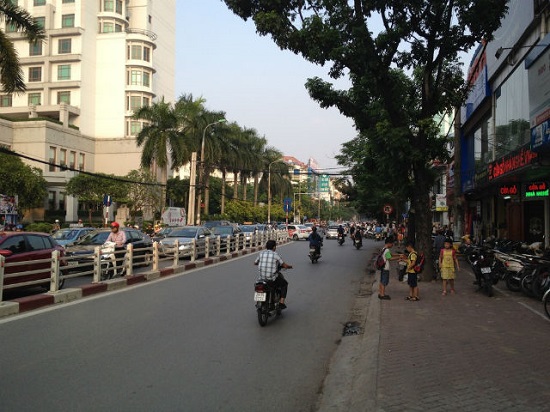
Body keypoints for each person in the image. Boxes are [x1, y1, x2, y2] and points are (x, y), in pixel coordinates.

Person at [254, 240, 293, 309]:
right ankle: (281, 302)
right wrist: (290, 266)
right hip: (271, 279)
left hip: (261, 278)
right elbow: (284, 265)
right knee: (284, 284)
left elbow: (255, 263)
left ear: (266, 246)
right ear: (274, 247)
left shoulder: (261, 253)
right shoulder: (275, 255)